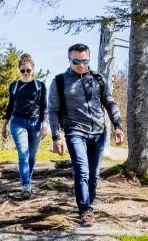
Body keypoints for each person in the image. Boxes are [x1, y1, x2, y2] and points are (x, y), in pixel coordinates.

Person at [48, 43, 124, 226]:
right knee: (82, 171)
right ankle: (86, 211)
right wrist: (56, 137)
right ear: (69, 59)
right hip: (75, 131)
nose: (80, 64)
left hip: (99, 132)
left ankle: (88, 204)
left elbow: (110, 103)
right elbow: (53, 111)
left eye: (84, 61)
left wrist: (118, 126)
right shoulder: (59, 81)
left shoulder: (98, 78)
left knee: (94, 175)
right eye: (75, 61)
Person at [1, 53, 49, 197]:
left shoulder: (40, 86)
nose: (26, 73)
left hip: (34, 123)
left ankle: (28, 179)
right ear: (19, 70)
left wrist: (44, 124)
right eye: (23, 70)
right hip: (17, 122)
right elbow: (10, 106)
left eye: (28, 70)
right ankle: (26, 186)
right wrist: (4, 124)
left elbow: (44, 107)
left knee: (32, 156)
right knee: (23, 154)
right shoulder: (14, 86)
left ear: (33, 69)